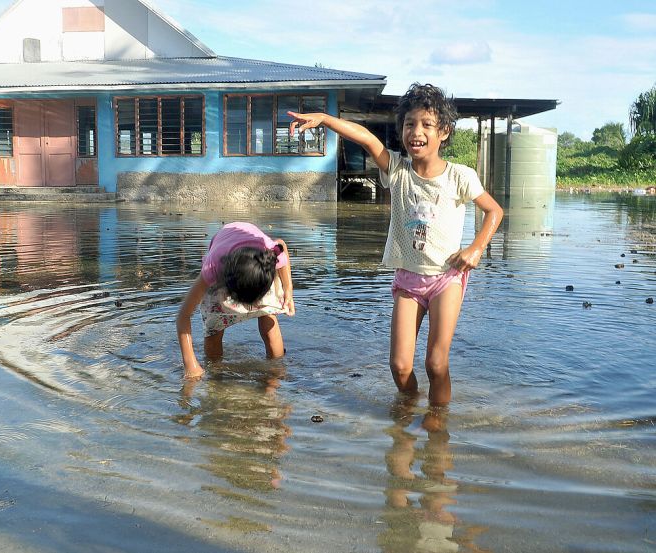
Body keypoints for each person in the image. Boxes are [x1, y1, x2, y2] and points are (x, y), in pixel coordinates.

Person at [288, 83, 503, 405]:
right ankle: (409, 408)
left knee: (435, 363)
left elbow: (494, 211)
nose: (416, 131)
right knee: (400, 366)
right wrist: (325, 119)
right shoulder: (397, 170)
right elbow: (366, 138)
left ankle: (437, 425)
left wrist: (476, 248)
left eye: (427, 125)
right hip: (408, 279)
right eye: (409, 124)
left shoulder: (460, 176)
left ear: (444, 132)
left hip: (447, 278)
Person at [177, 222, 295, 380]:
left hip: (255, 266)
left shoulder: (268, 254)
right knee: (214, 329)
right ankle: (216, 375)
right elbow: (183, 316)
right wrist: (190, 365)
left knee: (268, 316)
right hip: (225, 272)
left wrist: (288, 291)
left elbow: (281, 245)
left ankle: (277, 370)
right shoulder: (213, 267)